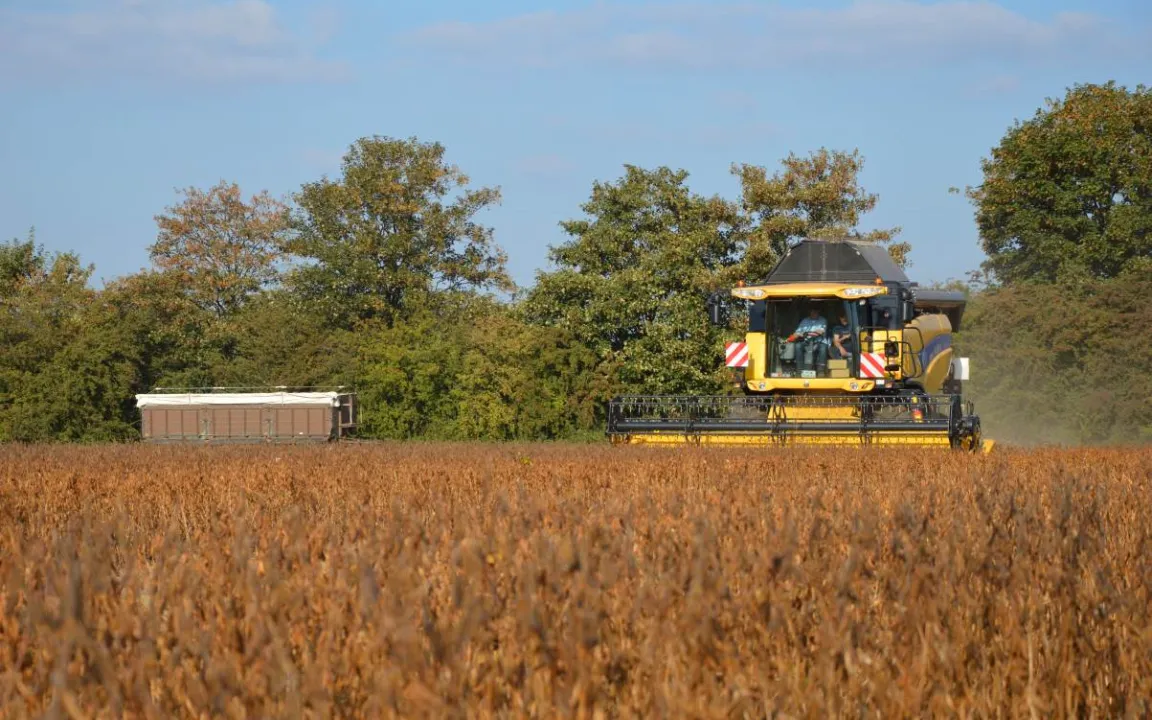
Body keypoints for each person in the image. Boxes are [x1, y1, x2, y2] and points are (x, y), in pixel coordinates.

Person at [786, 307, 828, 372]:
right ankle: (799, 369)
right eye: (812, 311)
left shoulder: (823, 320)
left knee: (823, 348)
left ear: (818, 312)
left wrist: (807, 333)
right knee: (798, 346)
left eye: (815, 311)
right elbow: (797, 332)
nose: (814, 313)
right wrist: (789, 339)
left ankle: (820, 370)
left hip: (819, 342)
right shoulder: (804, 320)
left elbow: (821, 331)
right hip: (807, 342)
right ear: (810, 312)